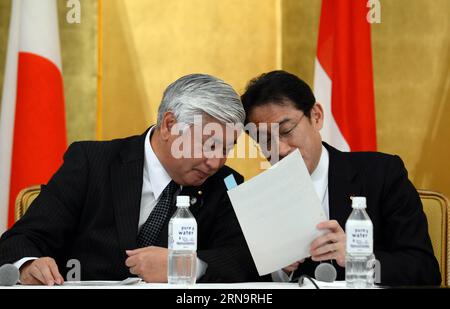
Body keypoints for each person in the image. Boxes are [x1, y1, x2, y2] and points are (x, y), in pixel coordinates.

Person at [0, 74, 258, 285]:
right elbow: (22, 239)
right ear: (169, 125)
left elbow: (244, 259)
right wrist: (29, 265)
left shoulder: (225, 183)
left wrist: (184, 266)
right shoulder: (92, 162)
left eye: (227, 149)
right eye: (209, 144)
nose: (215, 162)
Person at [240, 70, 441, 286]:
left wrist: (360, 260)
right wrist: (278, 269)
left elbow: (425, 270)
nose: (280, 149)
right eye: (265, 141)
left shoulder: (381, 174)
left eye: (287, 130)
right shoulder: (260, 198)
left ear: (316, 116)